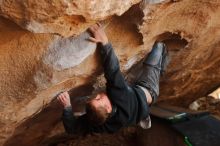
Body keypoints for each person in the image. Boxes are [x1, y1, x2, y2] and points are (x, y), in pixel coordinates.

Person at [57, 23, 168, 135]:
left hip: (131, 109)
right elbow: (112, 71)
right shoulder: (120, 97)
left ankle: (141, 115)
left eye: (95, 98)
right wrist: (104, 41)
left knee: (128, 95)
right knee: (157, 49)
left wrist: (67, 107)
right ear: (108, 108)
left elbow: (72, 129)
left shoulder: (98, 124)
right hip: (148, 89)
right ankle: (142, 113)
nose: (98, 95)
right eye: (99, 98)